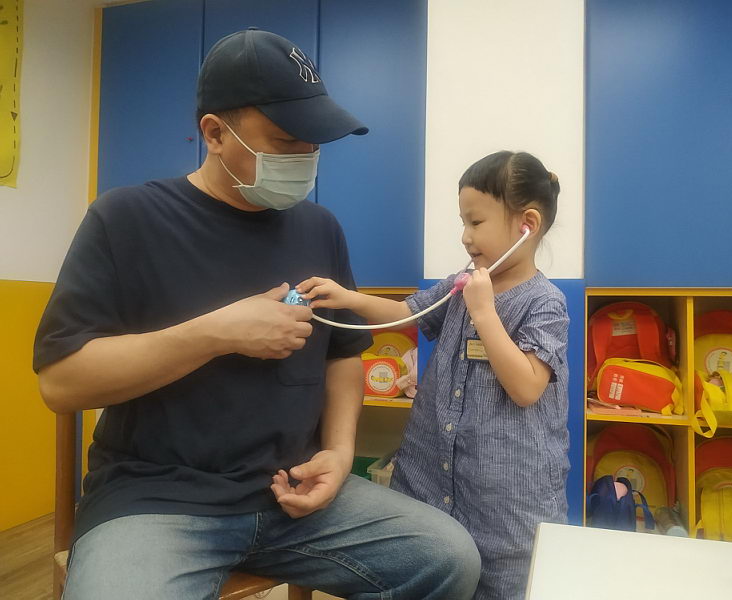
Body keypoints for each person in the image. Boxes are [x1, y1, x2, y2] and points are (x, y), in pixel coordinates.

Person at [34, 29, 479, 599]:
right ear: (214, 133)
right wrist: (215, 334)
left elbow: (343, 358)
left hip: (292, 495)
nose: (305, 158)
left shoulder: (321, 229)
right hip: (156, 501)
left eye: (314, 144)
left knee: (449, 560)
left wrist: (339, 453)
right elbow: (61, 384)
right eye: (286, 140)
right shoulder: (125, 219)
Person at [298, 150, 570, 599]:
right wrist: (347, 297)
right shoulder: (464, 282)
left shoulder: (544, 302)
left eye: (476, 222)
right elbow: (407, 312)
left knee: (500, 585)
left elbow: (526, 387)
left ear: (527, 225)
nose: (465, 236)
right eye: (463, 222)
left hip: (504, 501)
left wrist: (484, 312)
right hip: (430, 478)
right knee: (430, 571)